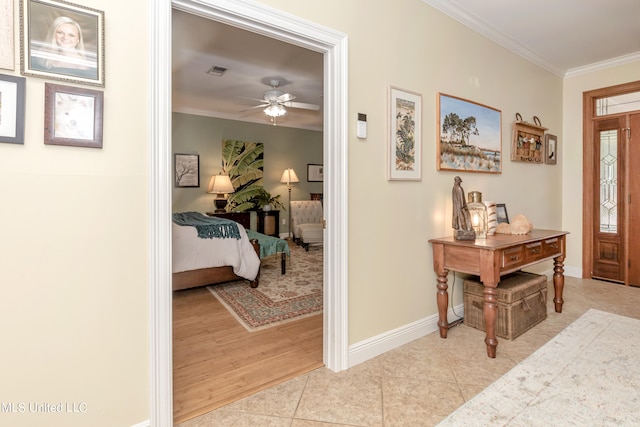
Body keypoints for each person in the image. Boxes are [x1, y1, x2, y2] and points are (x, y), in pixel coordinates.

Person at [31, 16, 96, 79]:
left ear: (78, 40)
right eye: (60, 33)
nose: (65, 37)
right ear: (53, 34)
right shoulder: (41, 56)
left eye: (71, 35)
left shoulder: (82, 64)